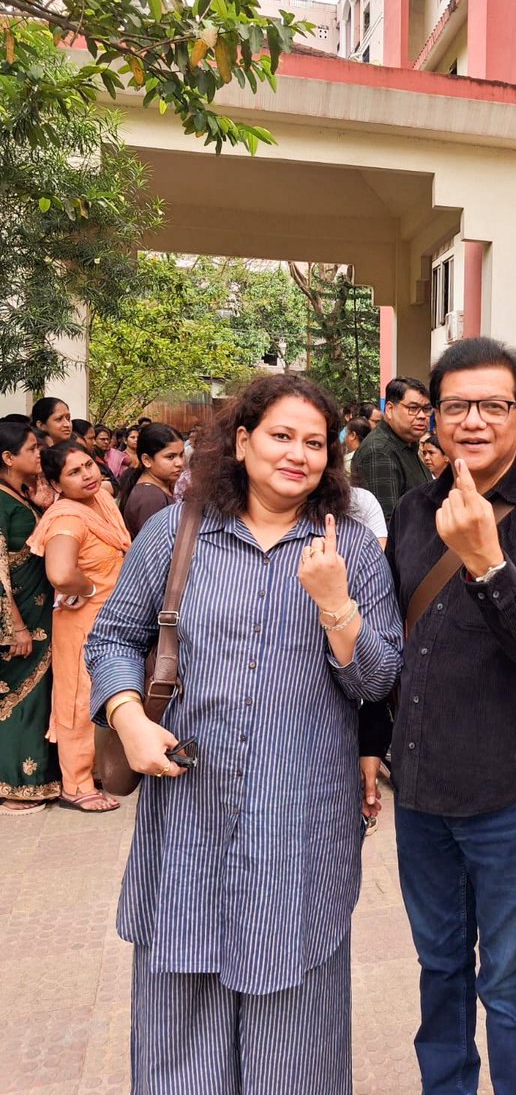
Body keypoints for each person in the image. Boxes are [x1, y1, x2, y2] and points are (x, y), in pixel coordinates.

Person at [84, 373, 403, 1093]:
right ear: (242, 439)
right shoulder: (178, 529)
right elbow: (111, 638)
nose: (297, 454)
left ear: (332, 456)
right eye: (281, 435)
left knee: (295, 1033)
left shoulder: (349, 546)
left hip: (300, 822)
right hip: (189, 810)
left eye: (314, 443)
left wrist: (336, 608)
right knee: (179, 1022)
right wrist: (129, 719)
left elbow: (379, 680)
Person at [382, 336, 516, 1095]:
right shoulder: (412, 510)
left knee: (508, 983)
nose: (473, 420)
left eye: (492, 405)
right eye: (455, 405)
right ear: (432, 415)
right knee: (439, 971)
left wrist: (485, 560)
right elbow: (390, 646)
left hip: (509, 797)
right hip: (422, 795)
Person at [26, 441, 128, 813]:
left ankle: (100, 769)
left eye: (88, 465)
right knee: (77, 701)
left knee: (110, 693)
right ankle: (76, 784)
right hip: (82, 620)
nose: (87, 474)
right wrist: (87, 588)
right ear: (55, 483)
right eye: (73, 472)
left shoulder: (99, 499)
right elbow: (59, 572)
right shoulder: (67, 518)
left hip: (111, 619)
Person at [0, 422, 60, 813]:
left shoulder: (18, 494)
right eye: (32, 449)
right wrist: (14, 626)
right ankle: (14, 785)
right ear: (7, 458)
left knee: (37, 698)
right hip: (21, 620)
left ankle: (35, 776)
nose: (40, 455)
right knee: (20, 701)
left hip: (39, 611)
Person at [351, 377, 431, 523]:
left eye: (426, 409)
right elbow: (388, 524)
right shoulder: (379, 452)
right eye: (413, 408)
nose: (422, 416)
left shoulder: (409, 444)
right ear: (389, 409)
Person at [119, 423, 185, 540]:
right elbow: (156, 548)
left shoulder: (160, 487)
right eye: (170, 457)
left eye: (181, 455)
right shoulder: (149, 498)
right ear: (147, 460)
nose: (179, 463)